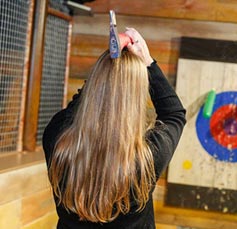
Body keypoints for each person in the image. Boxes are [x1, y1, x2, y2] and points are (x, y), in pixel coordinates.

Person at [42, 28, 186, 228]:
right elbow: (174, 114)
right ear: (137, 97)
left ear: (94, 84)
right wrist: (148, 62)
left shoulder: (56, 136)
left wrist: (106, 68)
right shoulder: (148, 157)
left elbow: (77, 107)